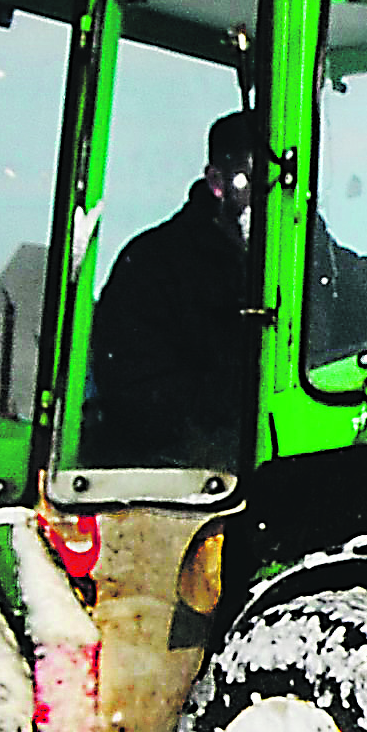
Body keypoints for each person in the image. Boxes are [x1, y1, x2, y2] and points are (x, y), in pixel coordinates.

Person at [90, 109, 268, 467]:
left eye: (282, 184)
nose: (266, 200)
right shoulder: (153, 267)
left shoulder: (321, 268)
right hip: (179, 485)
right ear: (216, 181)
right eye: (249, 181)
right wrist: (237, 415)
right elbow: (138, 396)